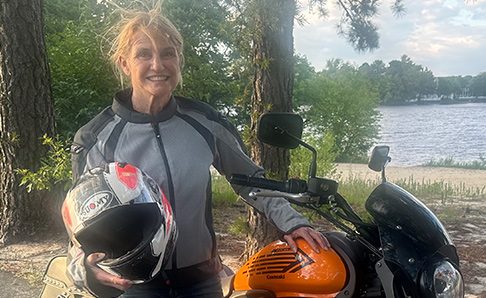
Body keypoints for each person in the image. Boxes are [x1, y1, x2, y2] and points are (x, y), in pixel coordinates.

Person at [66, 6, 330, 298]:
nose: (158, 64)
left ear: (179, 60)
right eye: (144, 54)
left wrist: (293, 223)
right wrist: (82, 267)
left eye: (168, 53)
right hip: (135, 286)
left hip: (200, 281)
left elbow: (250, 180)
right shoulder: (98, 137)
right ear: (125, 64)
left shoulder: (204, 122)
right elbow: (79, 224)